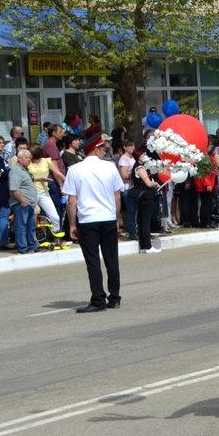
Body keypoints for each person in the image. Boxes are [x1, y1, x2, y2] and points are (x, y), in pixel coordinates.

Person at [63, 134, 127, 313]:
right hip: (107, 218)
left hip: (88, 220)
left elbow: (72, 200)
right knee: (111, 259)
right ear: (95, 148)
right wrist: (116, 218)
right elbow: (117, 196)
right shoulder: (110, 167)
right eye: (104, 149)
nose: (105, 152)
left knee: (93, 262)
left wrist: (72, 224)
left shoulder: (75, 169)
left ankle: (98, 299)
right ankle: (114, 298)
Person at [8, 148, 40, 253]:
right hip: (21, 204)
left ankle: (32, 246)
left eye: (30, 158)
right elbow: (14, 188)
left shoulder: (24, 169)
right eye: (27, 158)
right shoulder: (16, 170)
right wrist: (23, 201)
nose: (29, 160)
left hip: (28, 203)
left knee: (31, 226)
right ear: (20, 158)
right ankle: (23, 248)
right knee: (21, 226)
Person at [131, 152, 161, 254]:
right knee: (145, 222)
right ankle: (147, 246)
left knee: (142, 221)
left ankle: (144, 246)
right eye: (143, 155)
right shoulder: (140, 168)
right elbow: (148, 183)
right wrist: (156, 183)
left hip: (143, 197)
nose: (145, 156)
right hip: (145, 196)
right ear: (138, 156)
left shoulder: (139, 166)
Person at [28, 145, 65, 230]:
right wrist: (39, 179)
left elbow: (57, 173)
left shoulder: (46, 161)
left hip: (44, 192)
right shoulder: (27, 162)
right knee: (32, 218)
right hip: (30, 193)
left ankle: (56, 238)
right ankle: (33, 240)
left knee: (55, 217)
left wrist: (67, 181)